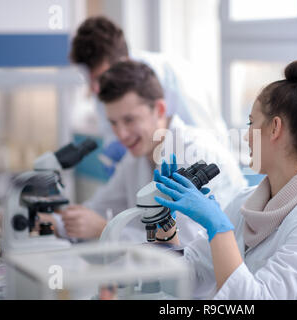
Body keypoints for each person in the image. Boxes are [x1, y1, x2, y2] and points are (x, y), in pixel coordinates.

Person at [153, 61, 297, 299]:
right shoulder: (246, 203)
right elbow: (184, 283)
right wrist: (165, 224)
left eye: (251, 123)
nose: (246, 136)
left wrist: (218, 229)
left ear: (275, 128)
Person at [55, 60, 247, 245]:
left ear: (160, 110)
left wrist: (105, 229)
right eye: (113, 123)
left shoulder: (194, 154)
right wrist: (54, 222)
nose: (121, 134)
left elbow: (183, 246)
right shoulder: (136, 158)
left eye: (129, 120)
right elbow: (98, 208)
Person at [70, 16, 229, 175]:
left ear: (124, 59)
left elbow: (208, 145)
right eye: (91, 80)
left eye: (100, 77)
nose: (96, 88)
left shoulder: (175, 76)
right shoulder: (105, 87)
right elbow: (113, 134)